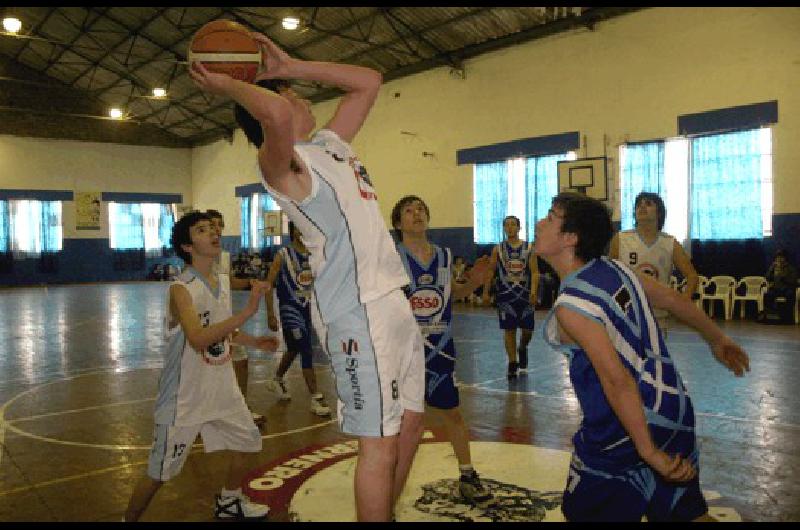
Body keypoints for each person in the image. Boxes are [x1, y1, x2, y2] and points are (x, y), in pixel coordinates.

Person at [189, 34, 425, 522]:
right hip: (356, 313)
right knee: (378, 446)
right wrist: (235, 85)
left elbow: (368, 81)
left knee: (411, 426)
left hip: (392, 302)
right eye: (289, 95)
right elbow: (273, 116)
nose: (297, 97)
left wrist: (293, 64)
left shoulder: (329, 147)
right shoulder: (282, 166)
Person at [534, 192, 750, 522]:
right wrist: (716, 338)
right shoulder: (616, 268)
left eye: (550, 218)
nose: (539, 223)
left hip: (623, 430)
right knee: (686, 515)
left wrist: (647, 450)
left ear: (570, 238)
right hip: (673, 409)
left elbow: (616, 380)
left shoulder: (572, 306)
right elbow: (674, 299)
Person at [124, 211, 278, 522]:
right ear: (187, 246)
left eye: (214, 227)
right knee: (159, 473)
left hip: (221, 388)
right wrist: (248, 311)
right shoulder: (181, 289)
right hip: (185, 395)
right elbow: (197, 338)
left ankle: (229, 502)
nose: (214, 232)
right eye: (202, 230)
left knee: (249, 442)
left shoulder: (220, 280)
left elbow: (222, 330)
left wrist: (252, 341)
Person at [391, 195, 494, 507]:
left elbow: (452, 295)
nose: (416, 213)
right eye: (408, 211)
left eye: (421, 208)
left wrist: (474, 283)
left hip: (439, 349)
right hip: (402, 352)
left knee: (452, 412)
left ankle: (467, 474)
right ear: (398, 223)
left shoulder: (446, 257)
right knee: (400, 423)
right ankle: (388, 485)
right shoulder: (391, 257)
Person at [263, 221, 332, 416]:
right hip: (289, 309)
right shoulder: (283, 255)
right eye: (300, 228)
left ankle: (276, 379)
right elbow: (267, 285)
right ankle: (315, 397)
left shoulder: (314, 256)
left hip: (309, 310)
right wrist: (270, 313)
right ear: (293, 231)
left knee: (295, 347)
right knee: (305, 347)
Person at [206, 209, 266, 427]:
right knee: (207, 367)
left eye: (219, 225)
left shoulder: (223, 256)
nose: (217, 229)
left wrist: (250, 283)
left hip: (226, 320)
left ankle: (240, 408)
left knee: (239, 361)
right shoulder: (200, 256)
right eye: (211, 225)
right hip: (208, 323)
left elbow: (227, 281)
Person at [609, 192, 699, 332]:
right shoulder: (621, 239)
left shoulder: (670, 243)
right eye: (639, 205)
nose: (642, 207)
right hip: (626, 313)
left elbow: (692, 276)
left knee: (654, 354)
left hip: (658, 316)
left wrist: (683, 301)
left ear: (659, 213)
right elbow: (609, 274)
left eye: (648, 204)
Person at [481, 215, 539, 379]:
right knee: (509, 329)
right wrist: (486, 292)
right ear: (504, 229)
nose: (510, 227)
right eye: (507, 225)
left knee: (528, 330)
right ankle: (512, 362)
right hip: (505, 295)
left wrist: (534, 291)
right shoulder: (498, 249)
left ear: (519, 228)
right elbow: (491, 271)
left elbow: (535, 272)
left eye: (513, 224)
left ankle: (522, 347)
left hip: (525, 295)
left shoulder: (529, 248)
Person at [762, 249, 798, 323]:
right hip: (776, 288)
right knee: (768, 295)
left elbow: (793, 280)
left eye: (781, 257)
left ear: (785, 258)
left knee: (790, 294)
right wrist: (771, 268)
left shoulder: (790, 268)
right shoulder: (774, 267)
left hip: (786, 288)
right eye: (777, 257)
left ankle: (788, 317)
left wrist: (781, 276)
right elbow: (767, 277)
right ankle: (770, 316)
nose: (779, 259)